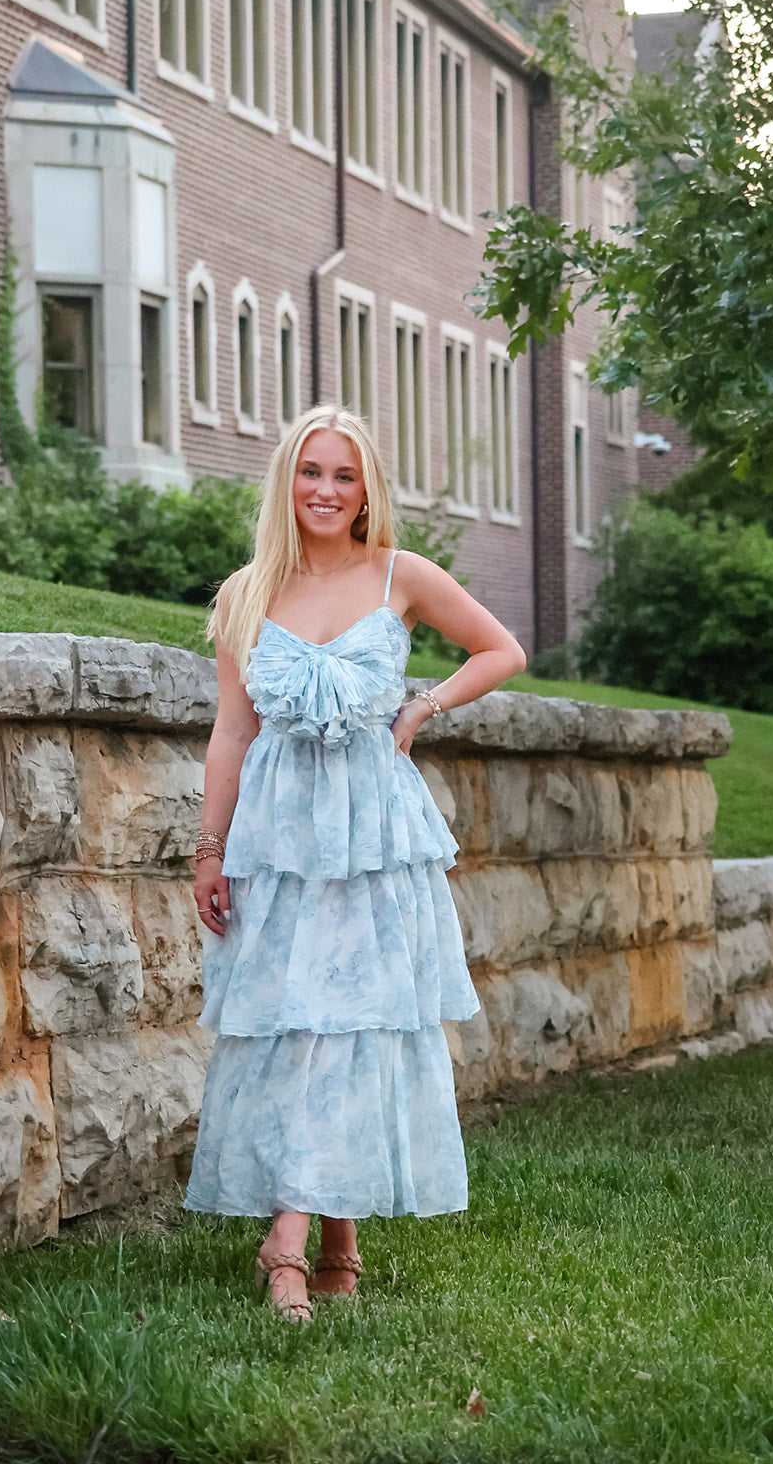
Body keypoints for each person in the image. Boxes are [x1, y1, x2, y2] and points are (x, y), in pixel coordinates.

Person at [185, 405, 527, 1323]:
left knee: (352, 1023)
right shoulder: (246, 592)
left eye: (344, 475)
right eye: (311, 472)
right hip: (280, 843)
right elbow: (231, 732)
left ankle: (287, 1244)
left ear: (367, 488)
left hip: (375, 841)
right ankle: (331, 1236)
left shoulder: (399, 575)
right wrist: (210, 850)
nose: (326, 491)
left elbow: (501, 649)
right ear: (286, 483)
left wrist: (424, 706)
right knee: (303, 1023)